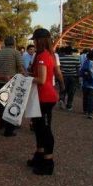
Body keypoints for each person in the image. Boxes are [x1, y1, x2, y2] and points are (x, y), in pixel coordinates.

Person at [28, 28, 62, 175]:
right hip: (41, 96)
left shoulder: (42, 56)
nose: (33, 42)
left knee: (45, 130)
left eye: (35, 40)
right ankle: (39, 155)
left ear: (39, 40)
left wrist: (26, 78)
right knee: (38, 127)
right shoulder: (47, 55)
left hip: (45, 97)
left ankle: (48, 162)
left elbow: (41, 80)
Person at [0, 36, 25, 137]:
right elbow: (20, 67)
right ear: (14, 43)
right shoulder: (16, 53)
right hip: (11, 81)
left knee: (1, 106)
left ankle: (2, 125)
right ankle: (9, 130)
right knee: (11, 105)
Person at [59, 46, 81, 111]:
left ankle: (62, 100)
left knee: (63, 89)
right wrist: (78, 77)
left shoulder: (61, 58)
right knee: (71, 92)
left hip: (63, 76)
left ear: (64, 52)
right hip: (73, 77)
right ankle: (69, 105)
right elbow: (78, 68)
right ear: (71, 52)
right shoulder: (76, 58)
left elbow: (59, 68)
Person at [81, 51, 93, 119]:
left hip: (85, 83)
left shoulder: (84, 63)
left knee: (85, 97)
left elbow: (81, 73)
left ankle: (85, 110)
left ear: (87, 57)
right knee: (91, 98)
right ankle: (90, 113)